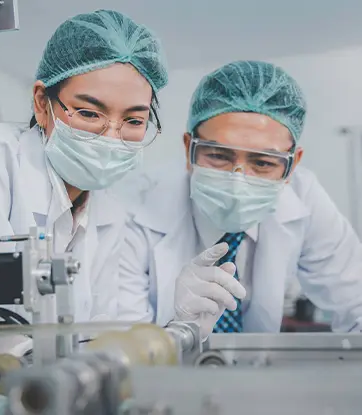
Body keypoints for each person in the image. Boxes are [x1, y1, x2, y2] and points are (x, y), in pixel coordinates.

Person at [0, 9, 167, 339]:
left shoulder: (108, 210)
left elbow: (98, 332)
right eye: (89, 113)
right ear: (41, 103)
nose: (111, 136)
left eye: (134, 121)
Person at [118, 60, 362, 339]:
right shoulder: (132, 207)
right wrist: (176, 330)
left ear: (292, 166)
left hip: (259, 377)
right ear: (188, 149)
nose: (238, 180)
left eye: (262, 163)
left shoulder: (305, 199)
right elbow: (122, 347)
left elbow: (357, 301)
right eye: (219, 156)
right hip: (163, 380)